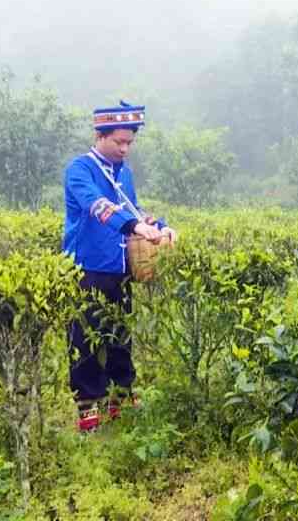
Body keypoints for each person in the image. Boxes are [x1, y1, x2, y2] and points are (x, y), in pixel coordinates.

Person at [62, 101, 178, 432]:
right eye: (119, 142)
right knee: (84, 337)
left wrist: (160, 226)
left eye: (130, 143)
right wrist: (134, 227)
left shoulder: (124, 173)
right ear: (101, 136)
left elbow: (133, 209)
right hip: (85, 267)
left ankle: (120, 394)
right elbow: (97, 206)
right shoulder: (80, 170)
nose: (125, 149)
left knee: (120, 334)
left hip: (120, 266)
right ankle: (87, 405)